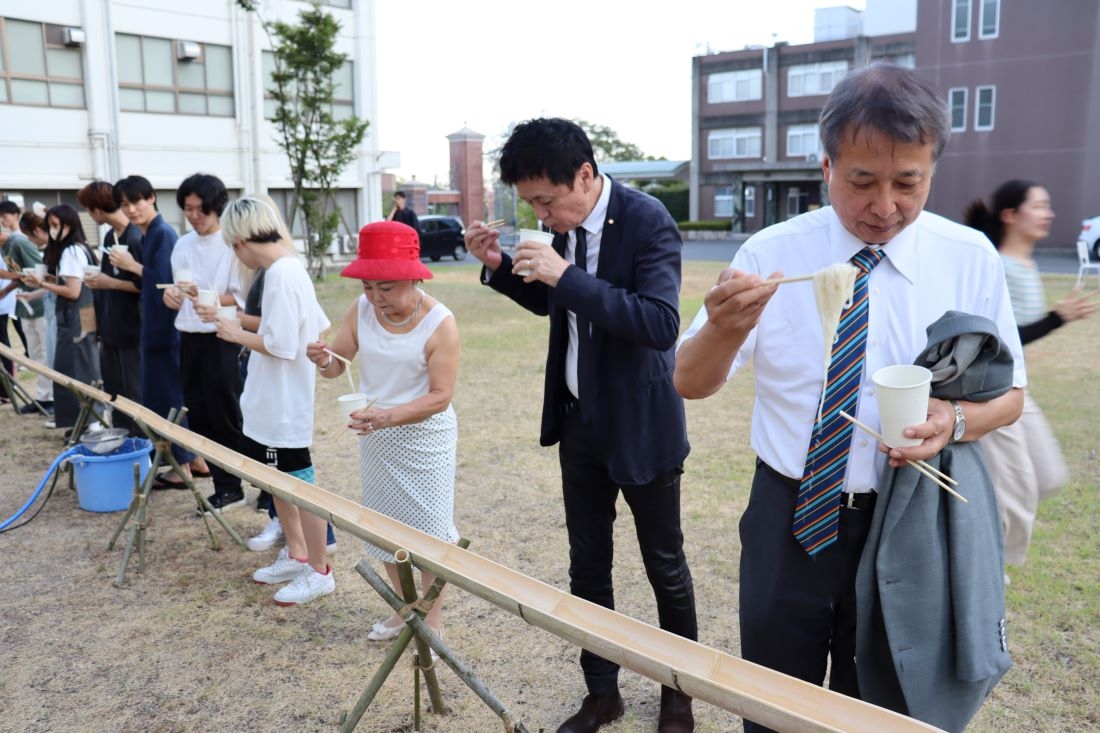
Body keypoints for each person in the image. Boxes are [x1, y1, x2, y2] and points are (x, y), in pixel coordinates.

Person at [674, 63, 1026, 732]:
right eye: (862, 181)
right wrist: (722, 327)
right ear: (828, 166)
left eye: (908, 182)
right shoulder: (772, 252)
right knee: (775, 703)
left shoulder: (968, 256)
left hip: (905, 516)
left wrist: (952, 419)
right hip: (788, 513)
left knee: (881, 705)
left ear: (932, 170)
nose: (884, 206)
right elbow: (689, 381)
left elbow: (1011, 397)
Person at [463, 118, 697, 733]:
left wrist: (567, 276)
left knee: (663, 564)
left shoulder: (647, 220)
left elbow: (659, 323)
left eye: (547, 200)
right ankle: (603, 692)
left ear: (586, 176)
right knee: (587, 567)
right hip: (579, 422)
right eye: (530, 202)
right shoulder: (556, 231)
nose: (540, 214)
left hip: (642, 423)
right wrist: (498, 265)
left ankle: (680, 692)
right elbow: (553, 301)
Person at [306, 221, 459, 638]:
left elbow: (440, 396)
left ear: (413, 275)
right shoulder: (360, 309)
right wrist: (322, 359)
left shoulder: (440, 322)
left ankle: (431, 619)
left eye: (386, 287)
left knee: (428, 531)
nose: (376, 297)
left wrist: (387, 417)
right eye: (369, 286)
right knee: (387, 528)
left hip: (424, 437)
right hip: (376, 437)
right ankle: (404, 608)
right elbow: (339, 365)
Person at [964, 180, 1095, 568]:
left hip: (1018, 390)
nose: (1048, 213)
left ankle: (976, 523)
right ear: (1010, 215)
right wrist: (1057, 319)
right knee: (1018, 495)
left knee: (1048, 476)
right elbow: (999, 340)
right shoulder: (998, 266)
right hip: (990, 391)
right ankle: (989, 576)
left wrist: (1056, 319)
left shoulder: (1024, 263)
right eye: (1038, 206)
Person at [213, 196, 334, 605]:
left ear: (244, 238)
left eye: (233, 244)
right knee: (278, 483)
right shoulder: (286, 268)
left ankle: (319, 570)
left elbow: (282, 345)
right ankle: (299, 554)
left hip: (285, 403)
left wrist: (234, 333)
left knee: (301, 485)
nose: (235, 254)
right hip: (273, 400)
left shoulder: (283, 273)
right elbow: (313, 327)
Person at [111, 176, 207, 482]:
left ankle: (185, 469)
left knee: (167, 400)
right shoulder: (149, 233)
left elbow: (166, 281)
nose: (131, 209)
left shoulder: (163, 233)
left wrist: (131, 265)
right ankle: (195, 462)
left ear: (151, 197)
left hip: (166, 328)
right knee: (167, 397)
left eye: (136, 201)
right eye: (125, 204)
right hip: (154, 325)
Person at [159, 173, 245, 508]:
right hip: (189, 336)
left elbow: (239, 297)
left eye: (201, 210)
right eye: (188, 209)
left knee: (228, 413)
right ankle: (225, 485)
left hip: (223, 336)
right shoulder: (182, 244)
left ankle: (254, 484)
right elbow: (176, 291)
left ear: (217, 208)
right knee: (200, 414)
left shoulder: (232, 245)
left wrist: (203, 293)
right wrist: (172, 295)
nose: (194, 216)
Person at [21, 205, 101, 432]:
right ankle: (88, 422)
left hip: (74, 316)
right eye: (51, 225)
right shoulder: (81, 248)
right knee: (85, 367)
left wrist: (42, 283)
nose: (54, 230)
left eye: (56, 225)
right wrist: (48, 281)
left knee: (75, 371)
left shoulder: (70, 252)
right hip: (84, 313)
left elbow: (72, 291)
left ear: (70, 224)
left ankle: (87, 424)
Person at [77, 181, 145, 436]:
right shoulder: (109, 236)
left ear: (96, 209)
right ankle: (124, 441)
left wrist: (108, 282)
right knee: (116, 392)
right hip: (111, 326)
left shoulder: (136, 235)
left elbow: (144, 285)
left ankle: (142, 447)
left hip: (132, 327)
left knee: (135, 392)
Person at [1, 201, 52, 412]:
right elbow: (21, 275)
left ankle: (50, 398)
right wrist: (7, 289)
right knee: (34, 352)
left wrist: (8, 278)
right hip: (25, 303)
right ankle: (43, 396)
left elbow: (36, 272)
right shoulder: (11, 245)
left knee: (44, 351)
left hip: (38, 303)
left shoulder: (19, 242)